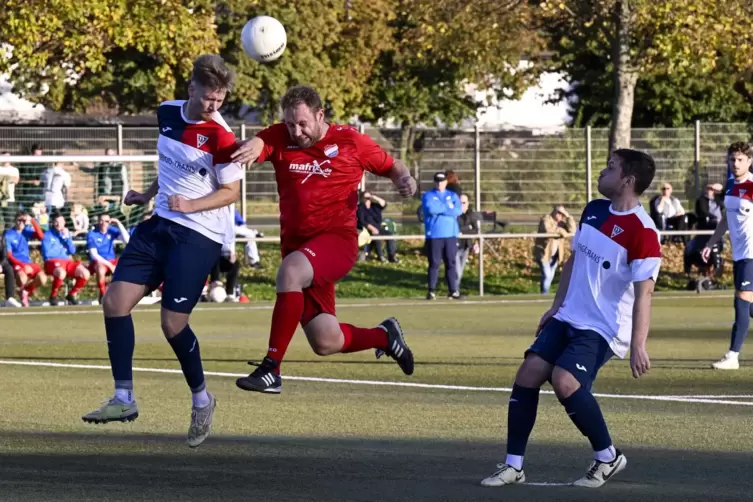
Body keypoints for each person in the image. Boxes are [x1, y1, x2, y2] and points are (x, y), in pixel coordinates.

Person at [81, 54, 244, 449]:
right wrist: (147, 193)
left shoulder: (222, 136)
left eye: (220, 100)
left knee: (172, 324)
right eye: (209, 98)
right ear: (191, 89)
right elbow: (173, 163)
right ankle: (124, 398)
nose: (213, 106)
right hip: (159, 225)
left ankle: (202, 399)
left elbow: (231, 191)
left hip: (198, 233)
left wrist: (189, 205)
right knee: (115, 302)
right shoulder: (167, 112)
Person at [480, 149, 660, 489]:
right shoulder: (593, 210)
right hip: (568, 315)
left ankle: (608, 457)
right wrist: (555, 306)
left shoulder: (644, 232)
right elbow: (573, 262)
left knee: (565, 381)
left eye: (611, 168)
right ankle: (513, 465)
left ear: (628, 180)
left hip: (604, 328)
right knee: (530, 372)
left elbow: (645, 293)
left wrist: (638, 344)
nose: (602, 173)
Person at [230, 84, 417, 395]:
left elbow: (392, 166)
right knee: (325, 341)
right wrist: (248, 145)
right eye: (290, 123)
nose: (296, 131)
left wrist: (405, 178)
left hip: (336, 241)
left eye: (303, 123)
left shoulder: (350, 140)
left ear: (320, 114)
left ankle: (271, 369)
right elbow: (259, 144)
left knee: (290, 272)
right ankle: (385, 336)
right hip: (300, 249)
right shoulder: (278, 136)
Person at [702, 142, 753, 370]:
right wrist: (711, 242)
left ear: (749, 161)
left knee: (741, 300)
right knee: (747, 304)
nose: (735, 163)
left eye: (740, 159)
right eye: (732, 159)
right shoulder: (732, 185)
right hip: (741, 253)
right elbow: (726, 218)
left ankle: (733, 355)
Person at [422, 172, 462, 300]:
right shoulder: (428, 195)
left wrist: (441, 208)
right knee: (434, 263)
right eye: (437, 181)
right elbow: (430, 208)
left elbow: (457, 210)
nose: (440, 184)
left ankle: (453, 290)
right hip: (434, 235)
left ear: (446, 182)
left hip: (450, 234)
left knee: (450, 262)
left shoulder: (452, 195)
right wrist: (447, 208)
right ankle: (431, 290)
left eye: (442, 181)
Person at [41, 213, 91, 306]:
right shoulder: (47, 235)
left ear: (64, 223)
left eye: (60, 222)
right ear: (53, 223)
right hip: (52, 262)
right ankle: (53, 296)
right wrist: (60, 252)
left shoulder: (65, 234)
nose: (58, 224)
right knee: (61, 272)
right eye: (56, 222)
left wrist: (67, 238)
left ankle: (71, 294)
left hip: (67, 261)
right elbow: (47, 253)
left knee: (85, 273)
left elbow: (72, 251)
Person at [5, 211, 47, 307]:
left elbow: (41, 236)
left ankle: (25, 291)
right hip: (17, 263)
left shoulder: (26, 232)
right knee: (22, 277)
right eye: (19, 220)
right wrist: (23, 266)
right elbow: (9, 256)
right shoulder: (9, 234)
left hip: (28, 262)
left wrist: (32, 220)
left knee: (43, 278)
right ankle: (22, 292)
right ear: (15, 220)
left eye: (23, 220)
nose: (21, 223)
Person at [533, 205, 576, 294]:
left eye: (562, 214)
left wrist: (568, 216)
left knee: (550, 276)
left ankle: (544, 292)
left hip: (555, 255)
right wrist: (561, 231)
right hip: (544, 253)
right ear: (554, 212)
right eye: (559, 213)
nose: (560, 215)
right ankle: (544, 294)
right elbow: (547, 230)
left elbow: (572, 230)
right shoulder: (546, 219)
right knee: (547, 275)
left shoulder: (561, 223)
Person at [87, 213, 130, 303]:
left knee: (127, 268)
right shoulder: (92, 234)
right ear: (98, 221)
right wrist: (109, 265)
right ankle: (103, 294)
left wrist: (118, 223)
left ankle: (122, 294)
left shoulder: (111, 230)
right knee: (100, 269)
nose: (104, 223)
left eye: (106, 221)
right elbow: (94, 255)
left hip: (111, 260)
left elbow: (127, 240)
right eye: (101, 220)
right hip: (99, 261)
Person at [357, 191, 398, 263]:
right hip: (367, 230)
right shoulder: (360, 208)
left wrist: (374, 197)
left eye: (369, 198)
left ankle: (391, 256)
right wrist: (372, 228)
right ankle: (380, 256)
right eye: (366, 198)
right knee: (377, 235)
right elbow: (362, 221)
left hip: (378, 228)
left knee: (390, 235)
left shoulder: (375, 206)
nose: (367, 199)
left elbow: (384, 204)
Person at [456, 193, 479, 289]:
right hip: (455, 245)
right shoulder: (454, 214)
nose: (462, 205)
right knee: (457, 269)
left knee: (460, 269)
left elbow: (475, 230)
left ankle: (454, 288)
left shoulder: (471, 215)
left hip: (466, 245)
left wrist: (464, 230)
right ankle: (454, 289)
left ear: (468, 203)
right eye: (460, 202)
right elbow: (455, 228)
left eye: (464, 202)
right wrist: (467, 228)